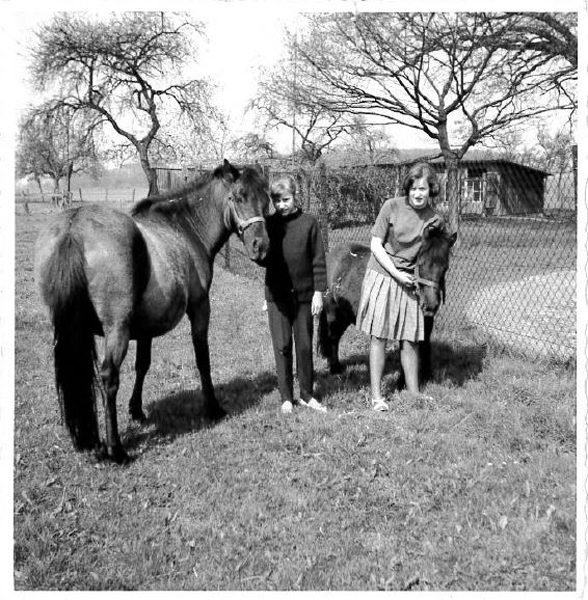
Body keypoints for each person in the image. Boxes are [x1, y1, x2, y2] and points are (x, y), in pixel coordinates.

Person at [356, 162, 444, 411]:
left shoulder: (434, 220)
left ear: (431, 190)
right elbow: (375, 244)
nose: (418, 194)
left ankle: (413, 393)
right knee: (380, 336)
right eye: (414, 188)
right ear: (408, 188)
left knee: (410, 339)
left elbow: (434, 255)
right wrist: (396, 274)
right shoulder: (391, 206)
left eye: (423, 189)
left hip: (410, 279)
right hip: (384, 273)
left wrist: (422, 279)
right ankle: (377, 397)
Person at [263, 175, 328, 414]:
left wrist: (319, 292)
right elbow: (264, 260)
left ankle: (307, 395)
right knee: (282, 346)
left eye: (286, 199)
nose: (281, 205)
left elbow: (318, 260)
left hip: (304, 297)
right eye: (277, 201)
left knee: (303, 346)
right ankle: (286, 397)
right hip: (277, 297)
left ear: (295, 196)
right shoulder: (269, 224)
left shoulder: (309, 223)